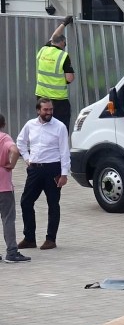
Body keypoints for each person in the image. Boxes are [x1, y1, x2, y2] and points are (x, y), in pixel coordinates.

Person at [16, 98, 71, 251]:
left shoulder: (59, 127)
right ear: (38, 110)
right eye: (45, 110)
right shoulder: (30, 125)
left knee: (53, 204)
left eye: (51, 109)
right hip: (34, 169)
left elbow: (64, 151)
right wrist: (27, 159)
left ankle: (51, 239)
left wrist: (64, 174)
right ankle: (29, 238)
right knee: (26, 202)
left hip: (53, 169)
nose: (49, 113)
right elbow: (20, 141)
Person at [35, 16, 75, 130]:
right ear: (63, 43)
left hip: (41, 96)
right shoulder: (63, 56)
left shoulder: (43, 50)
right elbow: (70, 78)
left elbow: (54, 37)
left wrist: (64, 23)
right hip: (58, 100)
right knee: (60, 128)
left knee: (43, 124)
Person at [0, 114, 30, 263]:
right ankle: (11, 252)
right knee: (7, 219)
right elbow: (15, 150)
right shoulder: (4, 138)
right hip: (3, 187)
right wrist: (11, 164)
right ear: (4, 124)